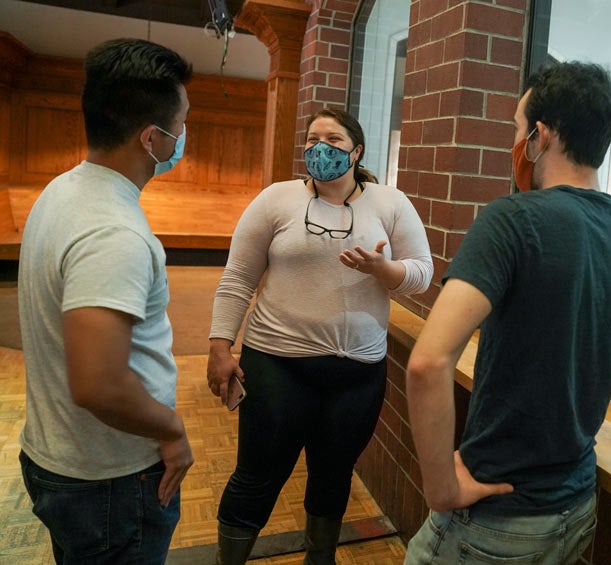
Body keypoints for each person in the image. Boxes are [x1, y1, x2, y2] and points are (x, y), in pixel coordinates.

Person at [404, 61, 611, 564]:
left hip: (497, 521)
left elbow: (428, 363)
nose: (515, 144)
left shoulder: (511, 220)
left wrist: (442, 490)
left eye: (518, 130)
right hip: (576, 508)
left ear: (540, 136)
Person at [206, 107, 433, 564]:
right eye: (312, 140)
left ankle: (320, 559)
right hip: (276, 365)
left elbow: (422, 274)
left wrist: (383, 269)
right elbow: (238, 278)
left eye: (332, 140)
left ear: (357, 151)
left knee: (333, 475)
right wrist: (219, 346)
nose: (319, 148)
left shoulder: (390, 203)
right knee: (257, 476)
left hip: (357, 375)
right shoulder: (276, 199)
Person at [17, 38, 195, 563]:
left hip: (68, 460)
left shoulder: (64, 189)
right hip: (112, 480)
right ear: (152, 138)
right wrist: (172, 429)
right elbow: (98, 382)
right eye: (181, 124)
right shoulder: (113, 232)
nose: (184, 135)